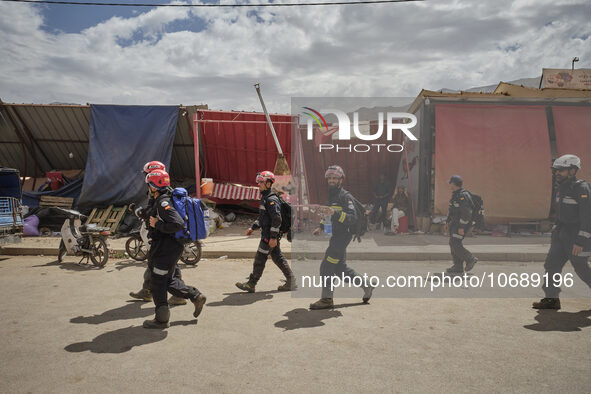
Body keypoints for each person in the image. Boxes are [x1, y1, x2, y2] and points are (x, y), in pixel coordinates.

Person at [142, 169, 206, 329]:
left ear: (154, 186)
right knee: (168, 280)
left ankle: (161, 319)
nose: (148, 188)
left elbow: (177, 223)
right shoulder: (165, 197)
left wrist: (157, 224)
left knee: (158, 282)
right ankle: (195, 296)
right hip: (169, 248)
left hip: (165, 249)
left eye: (149, 185)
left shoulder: (163, 202)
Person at [310, 165, 374, 309]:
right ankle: (366, 285)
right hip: (336, 236)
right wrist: (321, 227)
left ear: (341, 180)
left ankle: (326, 300)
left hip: (342, 237)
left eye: (335, 178)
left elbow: (352, 218)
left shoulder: (346, 197)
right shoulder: (332, 195)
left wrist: (335, 213)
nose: (331, 180)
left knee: (326, 267)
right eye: (330, 178)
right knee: (340, 269)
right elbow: (328, 213)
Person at [533, 154, 591, 310]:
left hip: (576, 236)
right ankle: (552, 299)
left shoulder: (582, 188)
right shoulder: (561, 188)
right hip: (561, 234)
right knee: (551, 265)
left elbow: (587, 217)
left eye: (561, 170)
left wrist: (581, 241)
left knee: (581, 268)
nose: (557, 173)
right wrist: (555, 233)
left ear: (573, 170)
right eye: (556, 170)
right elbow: (560, 214)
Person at [128, 161, 186, 307]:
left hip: (164, 235)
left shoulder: (160, 194)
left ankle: (180, 296)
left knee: (164, 265)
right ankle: (149, 290)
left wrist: (139, 212)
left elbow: (153, 212)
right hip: (161, 234)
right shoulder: (160, 190)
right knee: (157, 262)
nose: (146, 179)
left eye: (147, 175)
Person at [235, 171, 295, 293]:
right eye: (258, 181)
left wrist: (273, 237)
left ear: (268, 183)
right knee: (277, 257)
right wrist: (253, 227)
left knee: (260, 258)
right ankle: (291, 281)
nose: (258, 184)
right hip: (268, 234)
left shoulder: (271, 199)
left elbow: (277, 219)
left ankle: (251, 283)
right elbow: (263, 218)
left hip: (269, 236)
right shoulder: (265, 198)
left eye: (261, 182)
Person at [445, 175, 478, 274]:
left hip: (461, 224)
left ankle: (470, 258)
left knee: (455, 243)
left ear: (454, 184)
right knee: (453, 243)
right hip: (454, 223)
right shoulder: (456, 194)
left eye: (450, 182)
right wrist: (447, 222)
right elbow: (452, 210)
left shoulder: (463, 196)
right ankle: (458, 266)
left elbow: (466, 214)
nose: (449, 184)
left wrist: (461, 227)